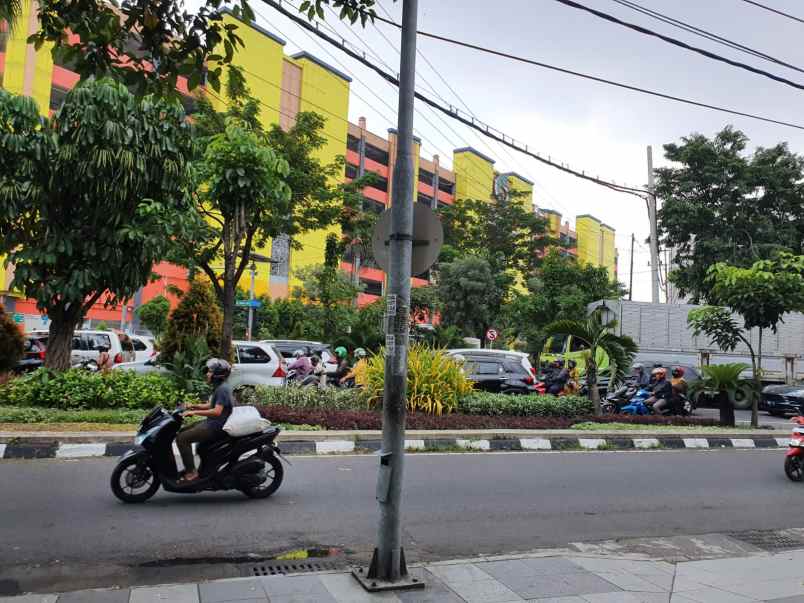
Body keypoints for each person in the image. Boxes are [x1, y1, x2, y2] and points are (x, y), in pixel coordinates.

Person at [176, 359, 234, 483]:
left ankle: (192, 472)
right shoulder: (219, 387)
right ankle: (191, 469)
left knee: (182, 438)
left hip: (216, 427)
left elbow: (217, 411)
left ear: (217, 375)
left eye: (210, 372)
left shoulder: (222, 389)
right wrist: (193, 406)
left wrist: (194, 412)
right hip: (212, 423)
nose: (207, 374)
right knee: (181, 432)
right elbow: (211, 405)